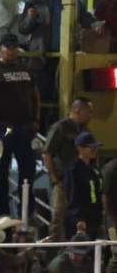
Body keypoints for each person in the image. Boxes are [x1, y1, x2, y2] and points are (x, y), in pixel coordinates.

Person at [0, 34, 39, 217]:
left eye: (14, 47)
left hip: (25, 125)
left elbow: (35, 95)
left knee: (28, 168)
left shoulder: (26, 70)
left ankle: (26, 212)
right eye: (8, 47)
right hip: (4, 125)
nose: (12, 50)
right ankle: (2, 213)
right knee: (1, 169)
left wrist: (36, 119)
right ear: (0, 49)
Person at [43, 98, 93, 242]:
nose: (91, 115)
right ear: (77, 110)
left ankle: (77, 252)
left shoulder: (85, 130)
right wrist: (54, 179)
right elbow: (47, 153)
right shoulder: (60, 127)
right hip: (63, 181)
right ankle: (54, 253)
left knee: (79, 217)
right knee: (58, 217)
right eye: (88, 111)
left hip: (79, 181)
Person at [64, 131, 104, 239]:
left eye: (95, 147)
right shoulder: (73, 170)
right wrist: (78, 219)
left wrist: (100, 220)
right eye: (90, 147)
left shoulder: (93, 170)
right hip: (81, 221)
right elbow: (72, 196)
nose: (94, 150)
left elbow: (97, 194)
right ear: (80, 148)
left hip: (94, 218)